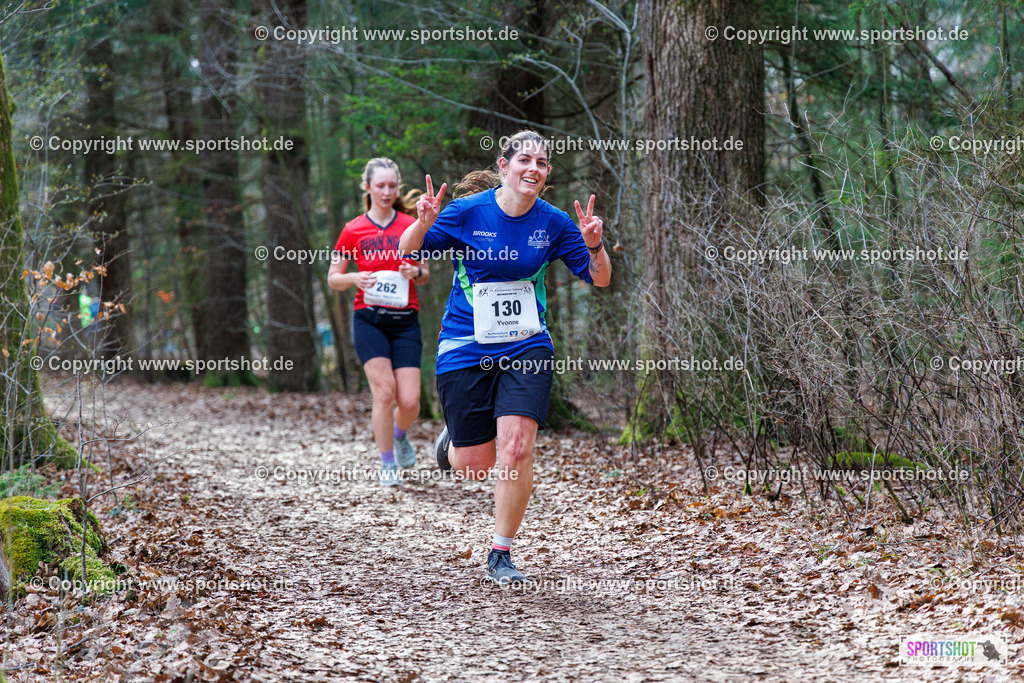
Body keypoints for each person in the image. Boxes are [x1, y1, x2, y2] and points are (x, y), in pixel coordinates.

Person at [399, 130, 611, 584]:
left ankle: (501, 553)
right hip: (465, 343)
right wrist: (422, 222)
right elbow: (407, 251)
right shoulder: (466, 212)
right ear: (504, 165)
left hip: (525, 343)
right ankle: (451, 445)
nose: (534, 169)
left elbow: (600, 279)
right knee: (474, 466)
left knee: (515, 448)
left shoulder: (554, 223)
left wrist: (594, 245)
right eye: (525, 160)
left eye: (542, 163)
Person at [328, 158, 429, 487]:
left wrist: (414, 271)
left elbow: (424, 273)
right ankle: (387, 464)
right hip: (368, 320)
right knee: (384, 393)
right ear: (367, 187)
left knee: (410, 402)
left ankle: (399, 434)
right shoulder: (352, 229)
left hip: (405, 321)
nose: (386, 192)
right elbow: (333, 277)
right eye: (380, 186)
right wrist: (354, 277)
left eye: (392, 186)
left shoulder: (410, 225)